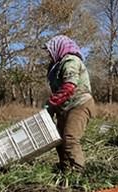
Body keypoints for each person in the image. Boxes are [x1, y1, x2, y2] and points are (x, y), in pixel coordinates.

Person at [44, 35, 95, 172]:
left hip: (79, 104)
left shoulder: (70, 61)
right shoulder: (55, 65)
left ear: (58, 48)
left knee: (70, 138)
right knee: (59, 140)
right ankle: (66, 170)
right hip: (64, 106)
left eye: (50, 50)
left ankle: (78, 171)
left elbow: (69, 86)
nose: (49, 53)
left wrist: (52, 102)